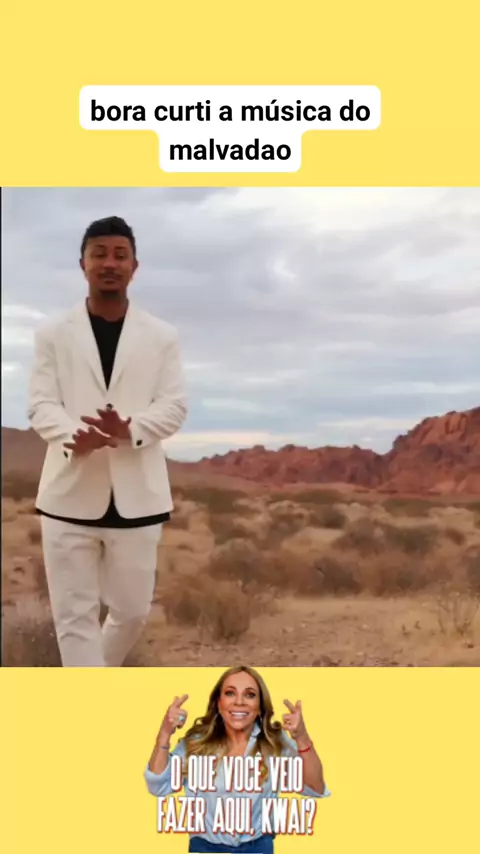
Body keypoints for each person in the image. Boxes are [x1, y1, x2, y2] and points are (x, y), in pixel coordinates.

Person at [28, 216, 188, 668]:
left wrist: (129, 429)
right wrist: (72, 437)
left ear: (135, 266)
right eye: (99, 254)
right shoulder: (52, 333)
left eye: (120, 255)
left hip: (139, 498)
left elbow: (174, 406)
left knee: (132, 613)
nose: (109, 263)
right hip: (67, 495)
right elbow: (41, 404)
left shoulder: (162, 336)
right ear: (82, 263)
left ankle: (92, 681)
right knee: (73, 618)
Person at [145, 666, 330, 853]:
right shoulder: (197, 742)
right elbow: (157, 785)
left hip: (258, 847)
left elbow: (315, 787)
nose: (239, 702)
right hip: (205, 847)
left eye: (250, 695)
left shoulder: (274, 742)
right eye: (230, 693)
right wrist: (165, 733)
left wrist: (301, 737)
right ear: (219, 703)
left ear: (260, 707)